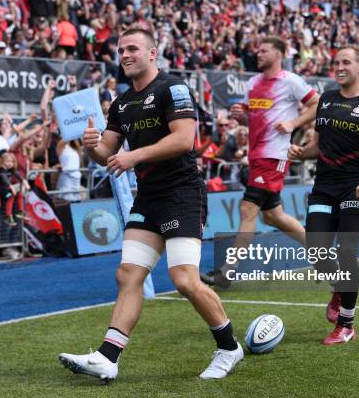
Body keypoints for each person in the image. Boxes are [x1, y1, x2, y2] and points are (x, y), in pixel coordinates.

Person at [59, 28, 243, 381]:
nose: (125, 54)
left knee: (184, 279)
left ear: (152, 53)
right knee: (128, 275)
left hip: (181, 194)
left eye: (132, 48)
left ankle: (229, 348)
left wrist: (134, 155)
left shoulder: (172, 88)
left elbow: (184, 139)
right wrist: (90, 145)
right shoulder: (122, 103)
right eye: (121, 49)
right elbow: (107, 154)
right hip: (149, 197)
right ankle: (107, 357)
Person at [288, 45, 359, 345]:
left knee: (345, 251)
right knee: (316, 250)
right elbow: (318, 146)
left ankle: (346, 324)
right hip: (324, 187)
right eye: (336, 62)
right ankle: (340, 288)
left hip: (356, 187)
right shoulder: (326, 100)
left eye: (346, 62)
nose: (339, 66)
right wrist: (301, 153)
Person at [203, 37, 319, 285]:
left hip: (274, 156)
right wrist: (240, 116)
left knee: (248, 209)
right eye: (258, 51)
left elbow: (316, 104)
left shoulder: (290, 81)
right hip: (256, 156)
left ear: (278, 55)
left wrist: (294, 123)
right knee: (273, 217)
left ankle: (227, 272)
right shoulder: (253, 83)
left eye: (264, 50)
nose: (258, 54)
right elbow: (250, 120)